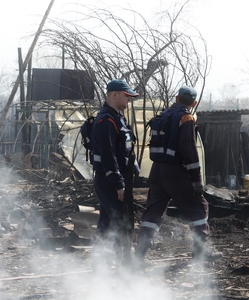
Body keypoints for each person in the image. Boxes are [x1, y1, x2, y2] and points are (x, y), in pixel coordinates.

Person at [135, 86, 221, 265]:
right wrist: (196, 179)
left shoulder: (162, 116)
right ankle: (199, 253)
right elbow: (188, 150)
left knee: (154, 211)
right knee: (199, 208)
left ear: (176, 98)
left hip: (157, 170)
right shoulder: (186, 118)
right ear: (194, 103)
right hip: (176, 172)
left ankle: (139, 255)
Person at [90, 79, 139, 269]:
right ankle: (121, 264)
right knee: (119, 222)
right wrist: (119, 183)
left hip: (115, 179)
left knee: (108, 221)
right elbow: (109, 156)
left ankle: (101, 263)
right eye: (126, 95)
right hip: (109, 180)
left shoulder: (117, 118)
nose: (129, 99)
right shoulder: (106, 121)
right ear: (114, 95)